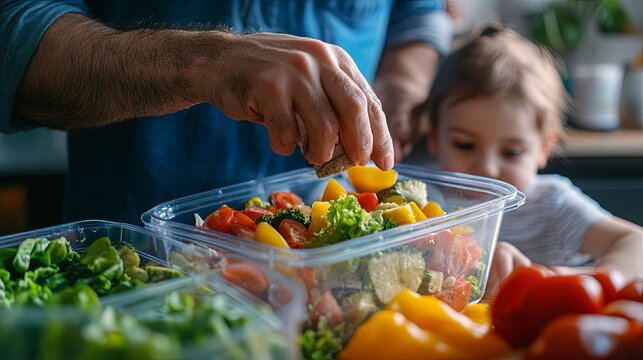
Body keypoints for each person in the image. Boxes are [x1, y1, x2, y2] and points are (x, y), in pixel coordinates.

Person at [0, 1, 452, 225]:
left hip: (333, 263)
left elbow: (416, 16)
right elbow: (15, 36)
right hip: (141, 254)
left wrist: (400, 94)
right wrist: (204, 62)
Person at [414, 25, 643, 295]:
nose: (487, 168)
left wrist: (557, 277)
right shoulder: (419, 199)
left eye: (512, 152)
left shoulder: (553, 203)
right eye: (464, 145)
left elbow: (635, 242)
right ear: (433, 136)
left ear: (544, 148)